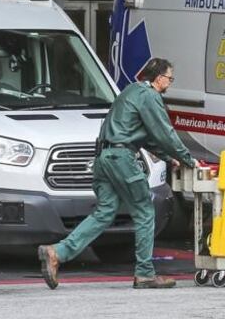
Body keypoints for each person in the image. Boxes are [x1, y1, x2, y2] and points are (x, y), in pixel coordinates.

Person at [37, 58, 198, 289]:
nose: (170, 83)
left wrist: (167, 157)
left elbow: (144, 136)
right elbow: (164, 133)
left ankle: (57, 252)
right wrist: (187, 159)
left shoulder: (131, 91)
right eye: (169, 78)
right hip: (122, 159)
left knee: (104, 213)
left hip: (103, 158)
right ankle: (144, 273)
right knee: (145, 212)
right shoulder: (150, 96)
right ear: (159, 78)